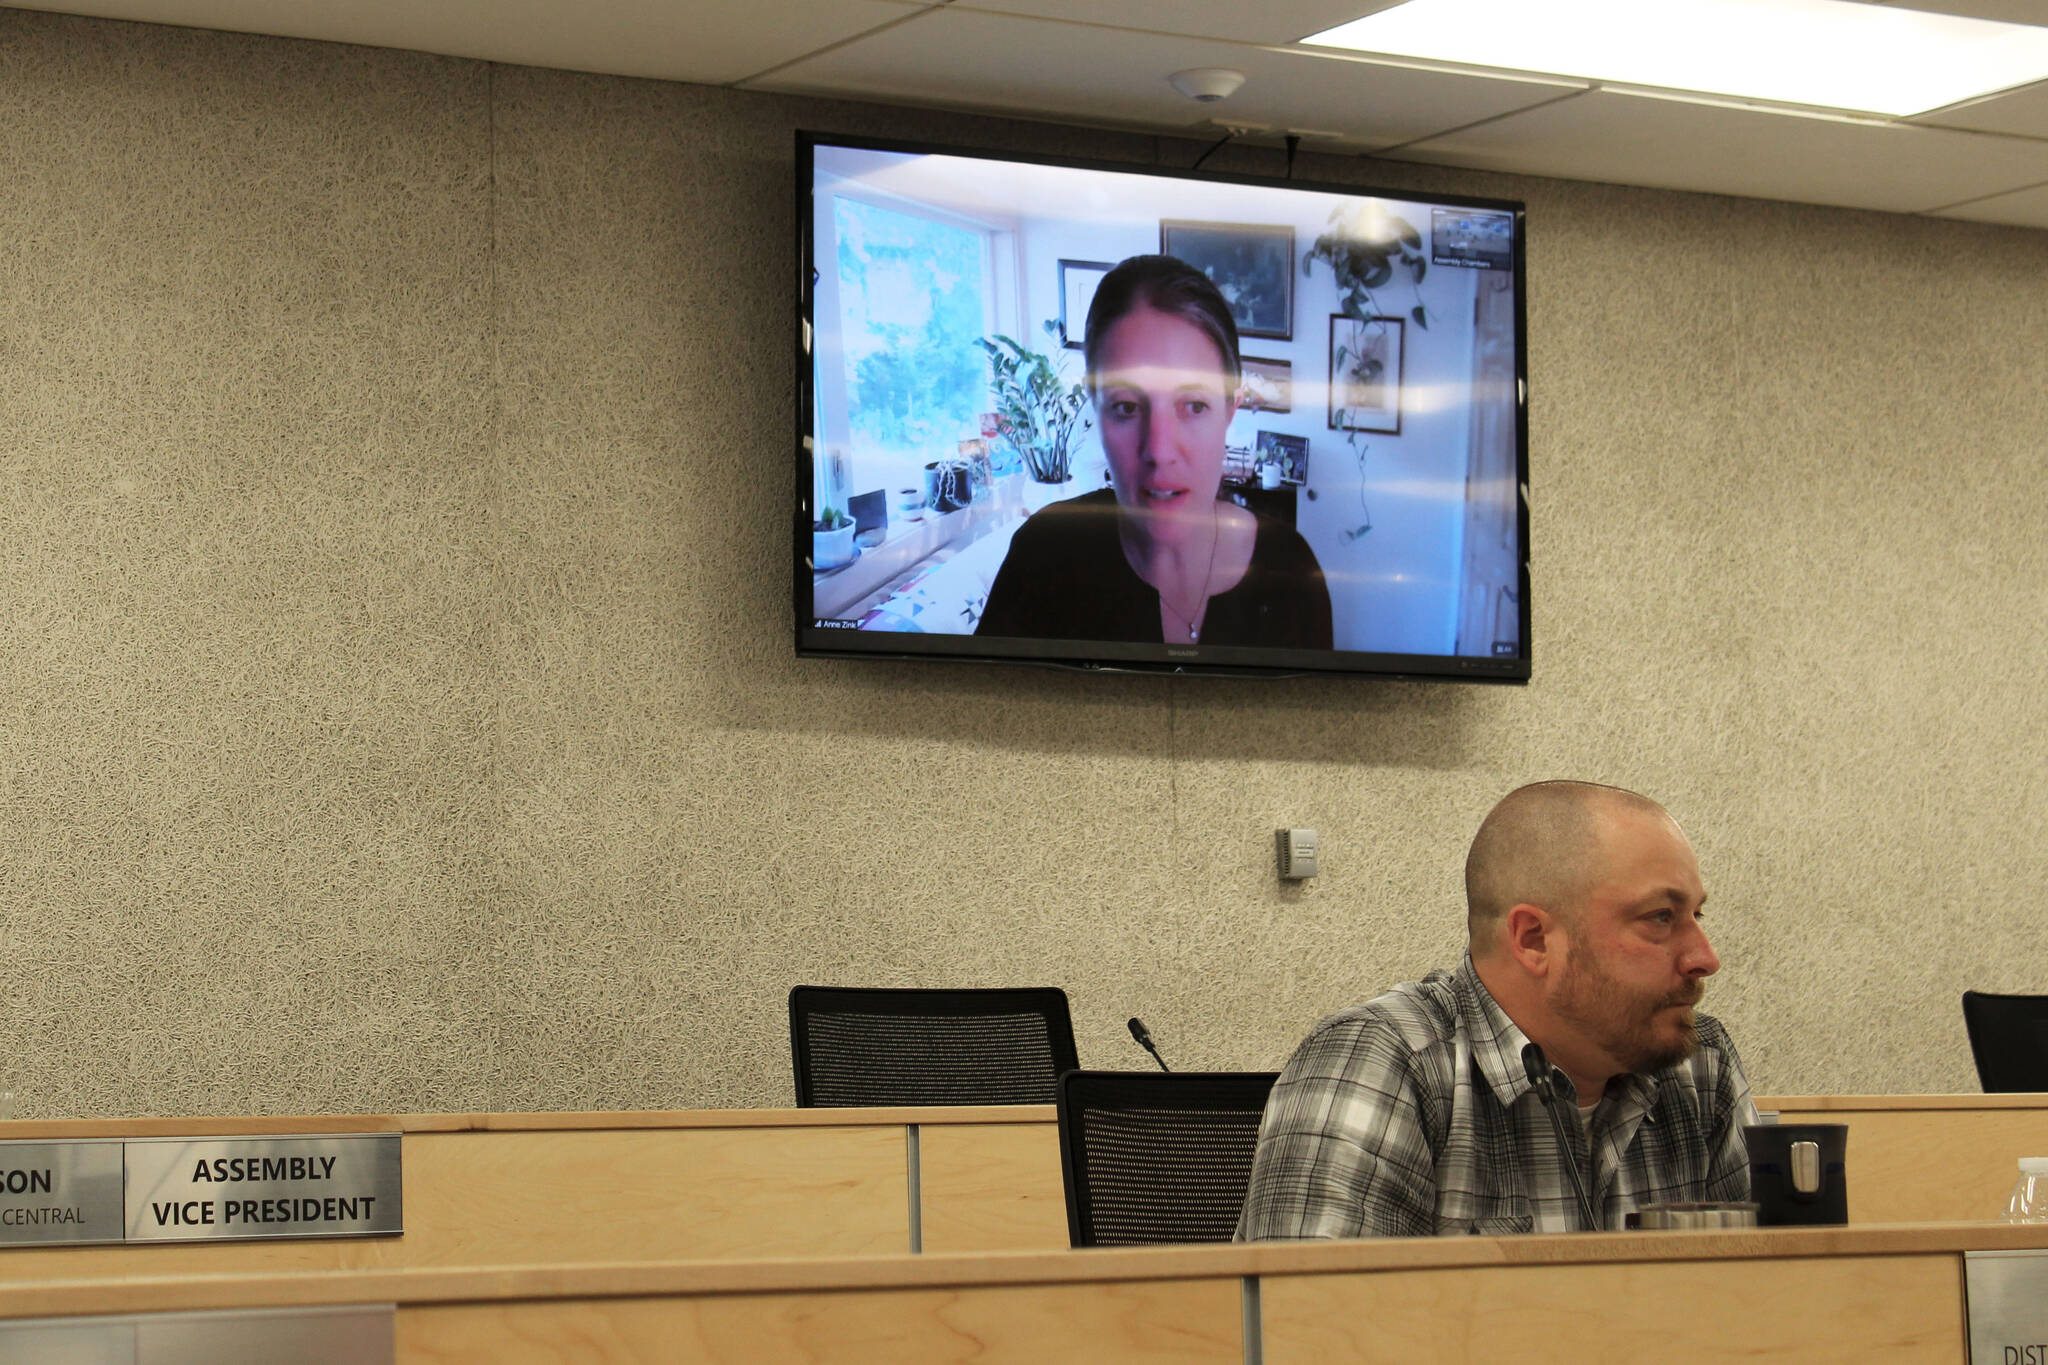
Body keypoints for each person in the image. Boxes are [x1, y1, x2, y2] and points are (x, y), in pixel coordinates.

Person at [1236, 780, 1756, 1239]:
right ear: (1533, 940)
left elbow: (1771, 1310)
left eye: (1697, 914)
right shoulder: (1384, 1061)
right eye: (1661, 917)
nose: (1704, 958)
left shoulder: (1699, 1065)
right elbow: (1312, 1333)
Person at [976, 255, 1332, 648]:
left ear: (1230, 410)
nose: (1159, 451)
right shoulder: (1040, 558)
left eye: (1194, 405)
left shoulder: (1292, 574)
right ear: (1096, 411)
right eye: (1126, 407)